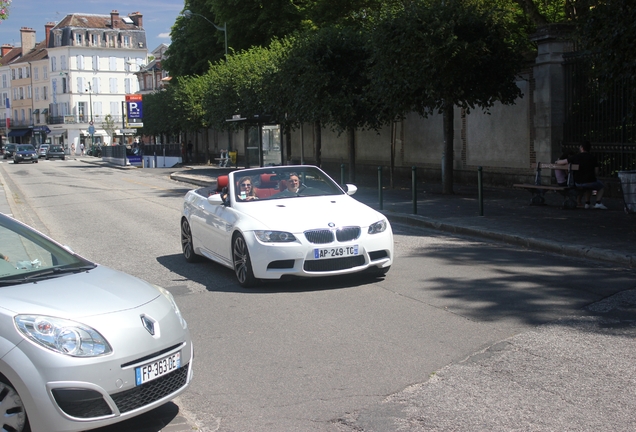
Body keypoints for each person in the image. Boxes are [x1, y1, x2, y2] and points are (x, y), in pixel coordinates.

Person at [556, 141, 607, 209]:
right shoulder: (593, 157)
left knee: (587, 186)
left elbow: (562, 162)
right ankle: (596, 203)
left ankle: (587, 203)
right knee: (601, 187)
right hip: (590, 181)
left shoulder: (576, 157)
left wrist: (557, 161)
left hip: (578, 182)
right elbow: (596, 172)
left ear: (582, 148)